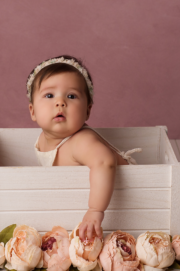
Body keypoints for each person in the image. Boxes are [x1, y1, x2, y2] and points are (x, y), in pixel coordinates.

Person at [27, 55, 141, 243]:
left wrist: (95, 210)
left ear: (87, 111)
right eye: (49, 95)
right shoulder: (43, 139)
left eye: (71, 96)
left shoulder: (81, 141)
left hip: (129, 193)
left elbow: (105, 162)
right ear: (32, 111)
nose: (60, 102)